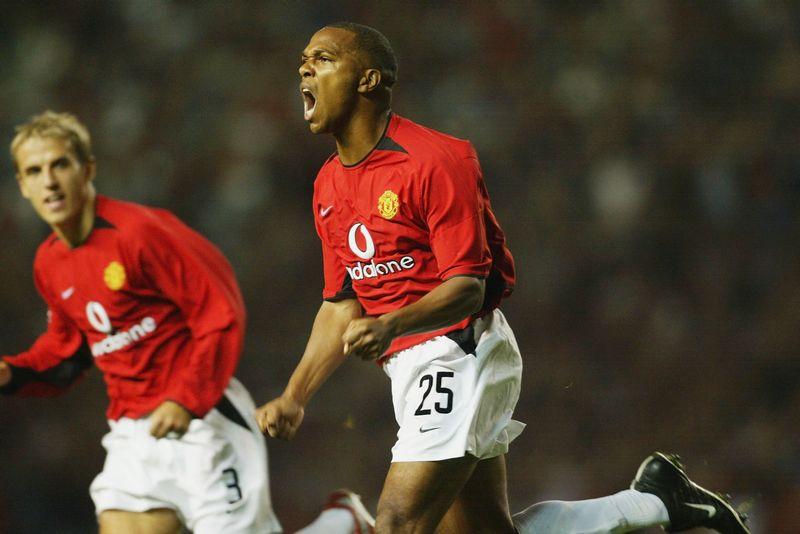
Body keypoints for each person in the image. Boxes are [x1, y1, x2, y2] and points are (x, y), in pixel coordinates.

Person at [254, 22, 750, 534]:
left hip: (458, 350)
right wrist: (295, 396)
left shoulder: (435, 160)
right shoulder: (328, 185)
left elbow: (468, 286)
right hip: (409, 366)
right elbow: (341, 303)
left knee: (398, 523)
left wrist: (391, 324)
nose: (305, 68)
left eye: (323, 58)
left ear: (368, 80)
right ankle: (656, 501)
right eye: (303, 60)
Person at [0, 111, 375, 534]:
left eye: (60, 165)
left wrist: (186, 400)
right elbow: (67, 353)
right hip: (133, 436)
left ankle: (342, 524)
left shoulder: (141, 232)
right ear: (22, 185)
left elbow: (220, 313)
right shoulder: (49, 262)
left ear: (87, 169)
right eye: (35, 171)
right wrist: (13, 372)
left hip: (204, 421)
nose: (49, 181)